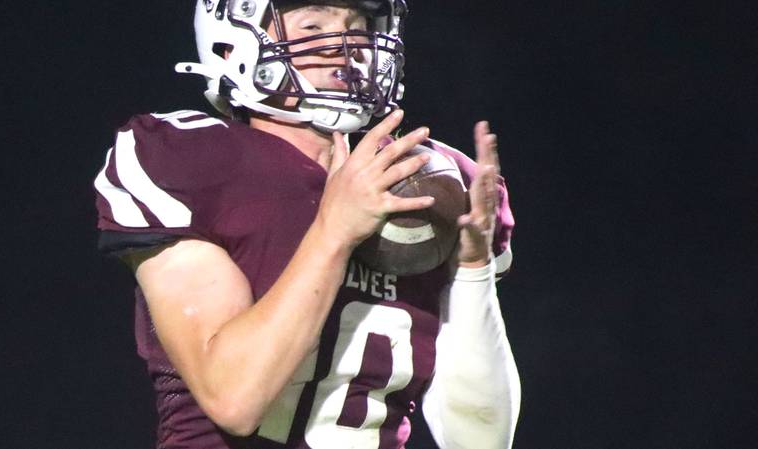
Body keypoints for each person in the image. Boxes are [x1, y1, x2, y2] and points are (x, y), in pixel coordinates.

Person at [94, 1, 520, 448]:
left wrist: (475, 269)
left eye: (357, 28)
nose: (343, 47)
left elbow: (481, 441)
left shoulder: (431, 180)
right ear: (229, 44)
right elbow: (234, 399)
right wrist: (333, 233)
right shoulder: (191, 159)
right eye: (313, 25)